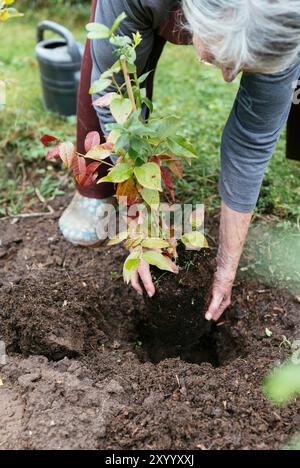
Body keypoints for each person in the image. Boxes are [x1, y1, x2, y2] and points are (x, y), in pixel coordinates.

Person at [59, 0, 300, 322]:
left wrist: (227, 268)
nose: (228, 77)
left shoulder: (283, 23)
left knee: (276, 90)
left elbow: (251, 145)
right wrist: (140, 234)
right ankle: (94, 187)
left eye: (244, 67)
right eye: (219, 59)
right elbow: (114, 103)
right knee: (112, 83)